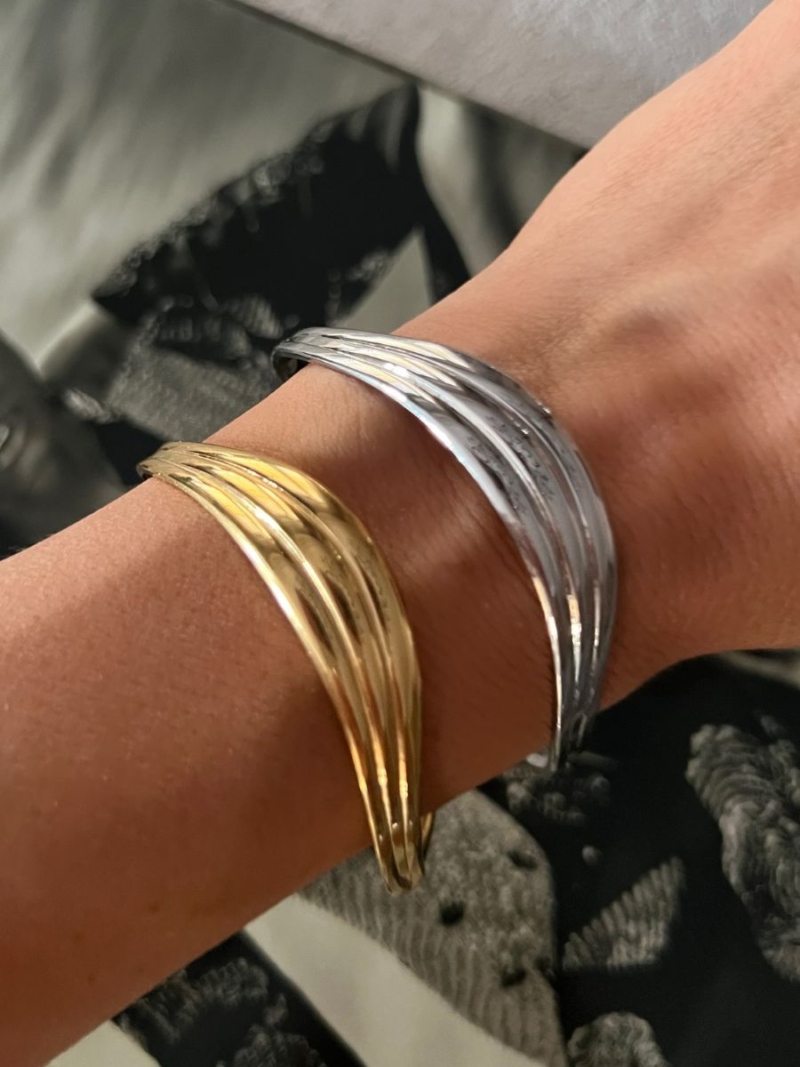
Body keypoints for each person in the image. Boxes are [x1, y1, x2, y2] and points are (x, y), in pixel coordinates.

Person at [3, 1, 800, 1062]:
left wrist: (575, 298)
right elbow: (239, 1025)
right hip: (615, 952)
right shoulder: (99, 843)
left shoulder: (144, 335)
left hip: (723, 709)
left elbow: (409, 144)